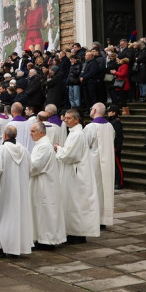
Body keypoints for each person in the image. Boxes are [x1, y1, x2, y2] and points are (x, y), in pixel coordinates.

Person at [54, 109, 100, 243]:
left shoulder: (78, 134)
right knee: (72, 202)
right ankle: (73, 231)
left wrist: (58, 149)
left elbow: (71, 155)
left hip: (77, 173)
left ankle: (77, 233)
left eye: (68, 118)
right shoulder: (74, 133)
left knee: (76, 203)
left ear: (76, 120)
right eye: (65, 118)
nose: (65, 120)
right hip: (73, 171)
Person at [0, 125, 34, 258]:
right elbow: (30, 169)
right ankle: (16, 247)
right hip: (20, 190)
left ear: (4, 135)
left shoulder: (1, 150)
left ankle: (0, 247)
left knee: (1, 217)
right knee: (18, 218)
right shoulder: (24, 150)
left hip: (5, 190)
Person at [29, 121, 66, 247]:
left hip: (45, 184)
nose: (30, 134)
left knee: (45, 211)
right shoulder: (40, 144)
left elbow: (35, 166)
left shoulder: (44, 146)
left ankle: (46, 240)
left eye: (33, 131)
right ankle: (41, 238)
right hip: (41, 183)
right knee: (41, 211)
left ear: (41, 132)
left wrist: (22, 165)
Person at [83, 103, 115, 228]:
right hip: (108, 163)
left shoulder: (91, 127)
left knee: (93, 190)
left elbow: (84, 145)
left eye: (91, 108)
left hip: (94, 163)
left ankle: (94, 218)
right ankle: (103, 219)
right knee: (105, 190)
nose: (90, 110)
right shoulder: (110, 126)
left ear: (95, 110)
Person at [107, 105, 125, 189]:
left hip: (115, 147)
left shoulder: (116, 122)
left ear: (114, 112)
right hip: (110, 146)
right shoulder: (110, 121)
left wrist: (117, 147)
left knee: (117, 165)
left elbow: (119, 136)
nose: (108, 112)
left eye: (110, 111)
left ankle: (120, 182)